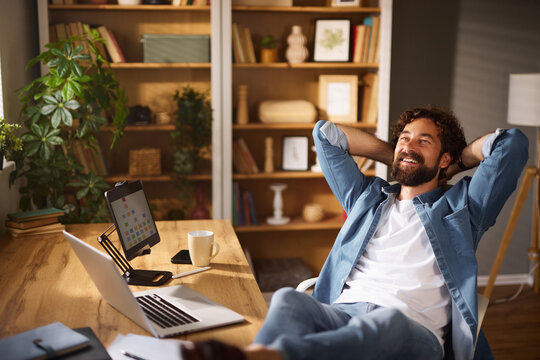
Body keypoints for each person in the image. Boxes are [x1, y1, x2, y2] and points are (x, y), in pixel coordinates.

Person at [183, 105, 528, 360]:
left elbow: (511, 144)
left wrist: (458, 163)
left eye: (424, 141)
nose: (410, 144)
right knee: (289, 298)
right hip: (343, 313)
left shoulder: (463, 208)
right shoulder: (367, 197)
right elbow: (325, 134)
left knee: (382, 324)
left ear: (444, 158)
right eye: (404, 138)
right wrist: (399, 155)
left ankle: (264, 357)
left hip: (411, 331)